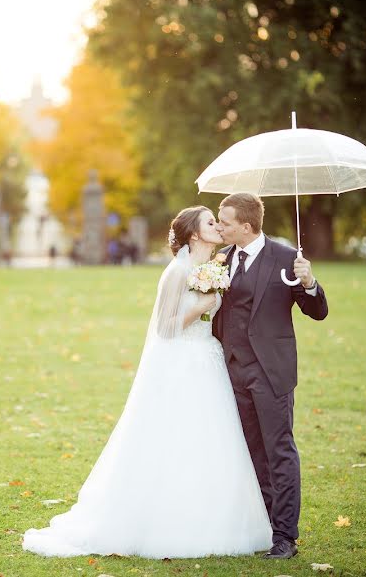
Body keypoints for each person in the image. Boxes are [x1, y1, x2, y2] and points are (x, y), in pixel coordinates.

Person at [23, 206, 272, 559]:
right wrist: (203, 304)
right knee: (177, 437)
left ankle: (215, 517)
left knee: (211, 437)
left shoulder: (212, 267)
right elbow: (165, 327)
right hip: (182, 363)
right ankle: (168, 521)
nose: (218, 226)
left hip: (208, 360)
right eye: (210, 223)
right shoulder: (177, 272)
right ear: (195, 235)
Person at [213, 192, 328, 559]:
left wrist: (308, 283)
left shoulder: (286, 258)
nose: (219, 226)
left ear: (246, 226)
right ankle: (262, 523)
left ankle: (284, 537)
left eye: (225, 221)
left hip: (271, 372)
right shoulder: (221, 258)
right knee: (250, 452)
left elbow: (317, 310)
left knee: (279, 451)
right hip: (230, 371)